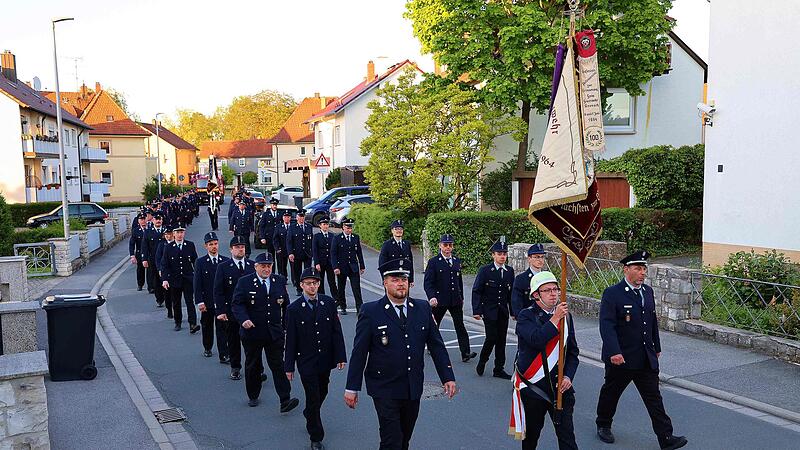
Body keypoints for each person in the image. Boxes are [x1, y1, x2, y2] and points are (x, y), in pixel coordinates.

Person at [344, 258, 457, 450]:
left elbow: (436, 346)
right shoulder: (371, 311)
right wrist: (352, 387)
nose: (400, 284)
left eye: (404, 279)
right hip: (384, 388)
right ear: (385, 282)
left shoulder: (422, 308)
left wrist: (448, 377)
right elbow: (359, 352)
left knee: (404, 438)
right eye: (395, 279)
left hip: (412, 387)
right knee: (392, 440)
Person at [595, 251, 687, 450]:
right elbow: (607, 325)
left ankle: (666, 437)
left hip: (645, 357)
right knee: (611, 393)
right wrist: (614, 352)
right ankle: (603, 424)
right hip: (621, 358)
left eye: (644, 269)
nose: (642, 273)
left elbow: (651, 321)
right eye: (637, 269)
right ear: (626, 269)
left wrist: (656, 347)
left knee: (654, 398)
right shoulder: (613, 293)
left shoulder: (647, 291)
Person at [511, 271, 579, 450]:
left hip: (560, 388)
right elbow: (536, 339)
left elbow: (572, 352)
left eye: (555, 289)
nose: (553, 294)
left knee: (567, 439)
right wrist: (555, 318)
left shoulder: (567, 317)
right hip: (535, 387)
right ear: (536, 295)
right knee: (532, 437)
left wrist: (568, 376)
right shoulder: (526, 316)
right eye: (547, 290)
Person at [284, 267, 347, 450]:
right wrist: (289, 366)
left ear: (319, 284)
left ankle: (309, 413)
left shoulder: (328, 303)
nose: (312, 287)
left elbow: (336, 332)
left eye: (315, 283)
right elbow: (291, 340)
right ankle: (316, 436)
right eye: (308, 284)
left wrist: (340, 356)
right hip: (306, 361)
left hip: (325, 359)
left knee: (323, 390)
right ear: (301, 285)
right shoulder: (294, 309)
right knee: (312, 396)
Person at [231, 252, 300, 413]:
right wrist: (244, 319)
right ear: (256, 267)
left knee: (278, 365)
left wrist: (285, 327)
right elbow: (237, 304)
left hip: (274, 333)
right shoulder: (245, 282)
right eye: (263, 266)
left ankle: (285, 399)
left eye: (269, 266)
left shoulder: (278, 281)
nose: (266, 269)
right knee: (253, 364)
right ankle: (253, 395)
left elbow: (286, 307)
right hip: (252, 332)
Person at [423, 234, 476, 363]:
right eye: (445, 245)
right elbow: (428, 282)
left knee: (460, 325)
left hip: (455, 300)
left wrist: (461, 296)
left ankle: (465, 352)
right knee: (434, 325)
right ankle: (430, 345)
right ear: (440, 246)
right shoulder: (434, 262)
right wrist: (432, 297)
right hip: (439, 300)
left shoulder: (456, 261)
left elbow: (459, 281)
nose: (448, 247)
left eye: (450, 245)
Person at [472, 238, 515, 379]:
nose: (502, 256)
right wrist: (477, 310)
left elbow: (511, 294)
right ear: (493, 255)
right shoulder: (485, 271)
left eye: (504, 253)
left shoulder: (509, 271)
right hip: (489, 311)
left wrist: (513, 311)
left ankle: (499, 368)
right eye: (499, 253)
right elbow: (477, 290)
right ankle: (483, 360)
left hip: (502, 311)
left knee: (502, 340)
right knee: (491, 338)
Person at [213, 236, 255, 378]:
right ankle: (235, 367)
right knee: (233, 341)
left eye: (242, 246)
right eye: (237, 247)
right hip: (232, 312)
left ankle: (255, 368)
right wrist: (220, 311)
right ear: (231, 250)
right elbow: (218, 291)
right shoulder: (223, 267)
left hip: (251, 311)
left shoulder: (252, 266)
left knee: (253, 342)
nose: (240, 249)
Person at [194, 232, 229, 361]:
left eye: (215, 244)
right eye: (211, 245)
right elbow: (197, 284)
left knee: (222, 328)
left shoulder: (225, 261)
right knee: (207, 325)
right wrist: (200, 301)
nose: (214, 247)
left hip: (221, 302)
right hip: (207, 301)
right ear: (206, 246)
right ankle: (207, 347)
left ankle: (223, 354)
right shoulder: (201, 262)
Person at [160, 227, 200, 333]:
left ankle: (193, 323)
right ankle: (178, 322)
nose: (180, 235)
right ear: (173, 234)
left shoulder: (190, 245)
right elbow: (165, 264)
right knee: (176, 302)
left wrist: (197, 276)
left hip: (188, 278)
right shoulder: (168, 247)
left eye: (181, 232)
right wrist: (165, 279)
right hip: (174, 279)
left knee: (189, 301)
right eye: (177, 232)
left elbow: (195, 261)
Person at [330, 218, 365, 315]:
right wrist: (335, 267)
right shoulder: (337, 238)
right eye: (347, 227)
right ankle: (343, 306)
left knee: (356, 288)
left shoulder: (355, 237)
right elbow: (333, 254)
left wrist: (362, 265)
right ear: (343, 227)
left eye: (350, 228)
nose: (349, 230)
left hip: (353, 267)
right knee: (341, 288)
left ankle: (359, 308)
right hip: (342, 267)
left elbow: (359, 252)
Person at [512, 244, 546, 316]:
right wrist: (521, 319)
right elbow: (516, 303)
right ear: (529, 259)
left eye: (542, 257)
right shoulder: (521, 279)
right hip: (529, 318)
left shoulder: (546, 277)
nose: (540, 260)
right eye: (536, 257)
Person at [378, 220, 414, 285]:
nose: (399, 231)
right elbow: (382, 264)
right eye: (396, 229)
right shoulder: (387, 245)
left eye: (401, 229)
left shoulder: (406, 244)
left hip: (404, 277)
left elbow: (410, 263)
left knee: (404, 295)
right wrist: (385, 279)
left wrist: (411, 279)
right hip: (392, 278)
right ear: (392, 231)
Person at [287, 210, 314, 296]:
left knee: (307, 272)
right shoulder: (292, 227)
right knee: (297, 272)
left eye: (303, 216)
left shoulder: (309, 226)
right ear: (297, 217)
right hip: (297, 253)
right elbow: (289, 241)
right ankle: (299, 289)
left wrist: (312, 252)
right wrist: (290, 253)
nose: (301, 218)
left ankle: (307, 289)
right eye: (300, 216)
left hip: (307, 253)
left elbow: (312, 240)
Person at [312, 217, 337, 298]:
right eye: (324, 224)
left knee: (332, 281)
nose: (326, 226)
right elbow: (315, 251)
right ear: (320, 226)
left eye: (327, 224)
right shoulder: (316, 236)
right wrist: (317, 263)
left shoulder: (332, 236)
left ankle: (336, 299)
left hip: (330, 262)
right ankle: (321, 297)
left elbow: (334, 250)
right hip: (321, 261)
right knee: (320, 281)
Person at [142, 213, 166, 299]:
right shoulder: (148, 232)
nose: (158, 221)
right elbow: (144, 246)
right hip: (153, 258)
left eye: (160, 219)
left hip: (165, 258)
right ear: (153, 220)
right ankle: (158, 296)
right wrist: (144, 259)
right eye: (156, 219)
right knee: (155, 277)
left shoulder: (167, 231)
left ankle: (166, 293)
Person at [154, 226, 175, 317]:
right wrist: (159, 269)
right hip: (165, 271)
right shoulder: (162, 245)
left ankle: (175, 309)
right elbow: (158, 258)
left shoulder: (176, 244)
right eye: (166, 234)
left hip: (175, 272)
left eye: (169, 234)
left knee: (175, 292)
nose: (167, 236)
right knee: (167, 291)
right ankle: (169, 309)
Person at [129, 214, 148, 291]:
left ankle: (151, 286)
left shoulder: (150, 229)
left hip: (149, 253)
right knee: (140, 269)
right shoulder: (135, 231)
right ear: (138, 221)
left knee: (151, 270)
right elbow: (132, 244)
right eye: (141, 219)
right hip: (139, 252)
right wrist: (132, 255)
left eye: (144, 219)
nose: (143, 221)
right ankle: (140, 284)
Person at [272, 211, 292, 277]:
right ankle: (283, 277)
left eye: (288, 217)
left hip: (292, 249)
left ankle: (294, 279)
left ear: (290, 218)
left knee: (293, 266)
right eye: (285, 217)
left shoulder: (293, 226)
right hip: (281, 249)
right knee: (281, 265)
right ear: (283, 218)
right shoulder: (278, 227)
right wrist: (277, 248)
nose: (287, 218)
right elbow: (275, 239)